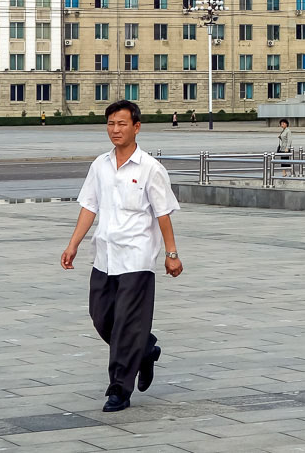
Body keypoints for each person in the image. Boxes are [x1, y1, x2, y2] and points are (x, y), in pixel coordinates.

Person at [60, 100, 183, 413]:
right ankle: (144, 349)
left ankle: (119, 390)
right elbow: (89, 206)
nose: (115, 130)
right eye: (111, 124)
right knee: (102, 318)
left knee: (127, 325)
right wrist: (73, 244)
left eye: (122, 124)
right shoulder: (100, 165)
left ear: (136, 127)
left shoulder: (150, 169)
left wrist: (171, 254)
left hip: (137, 257)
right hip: (104, 254)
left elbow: (164, 213)